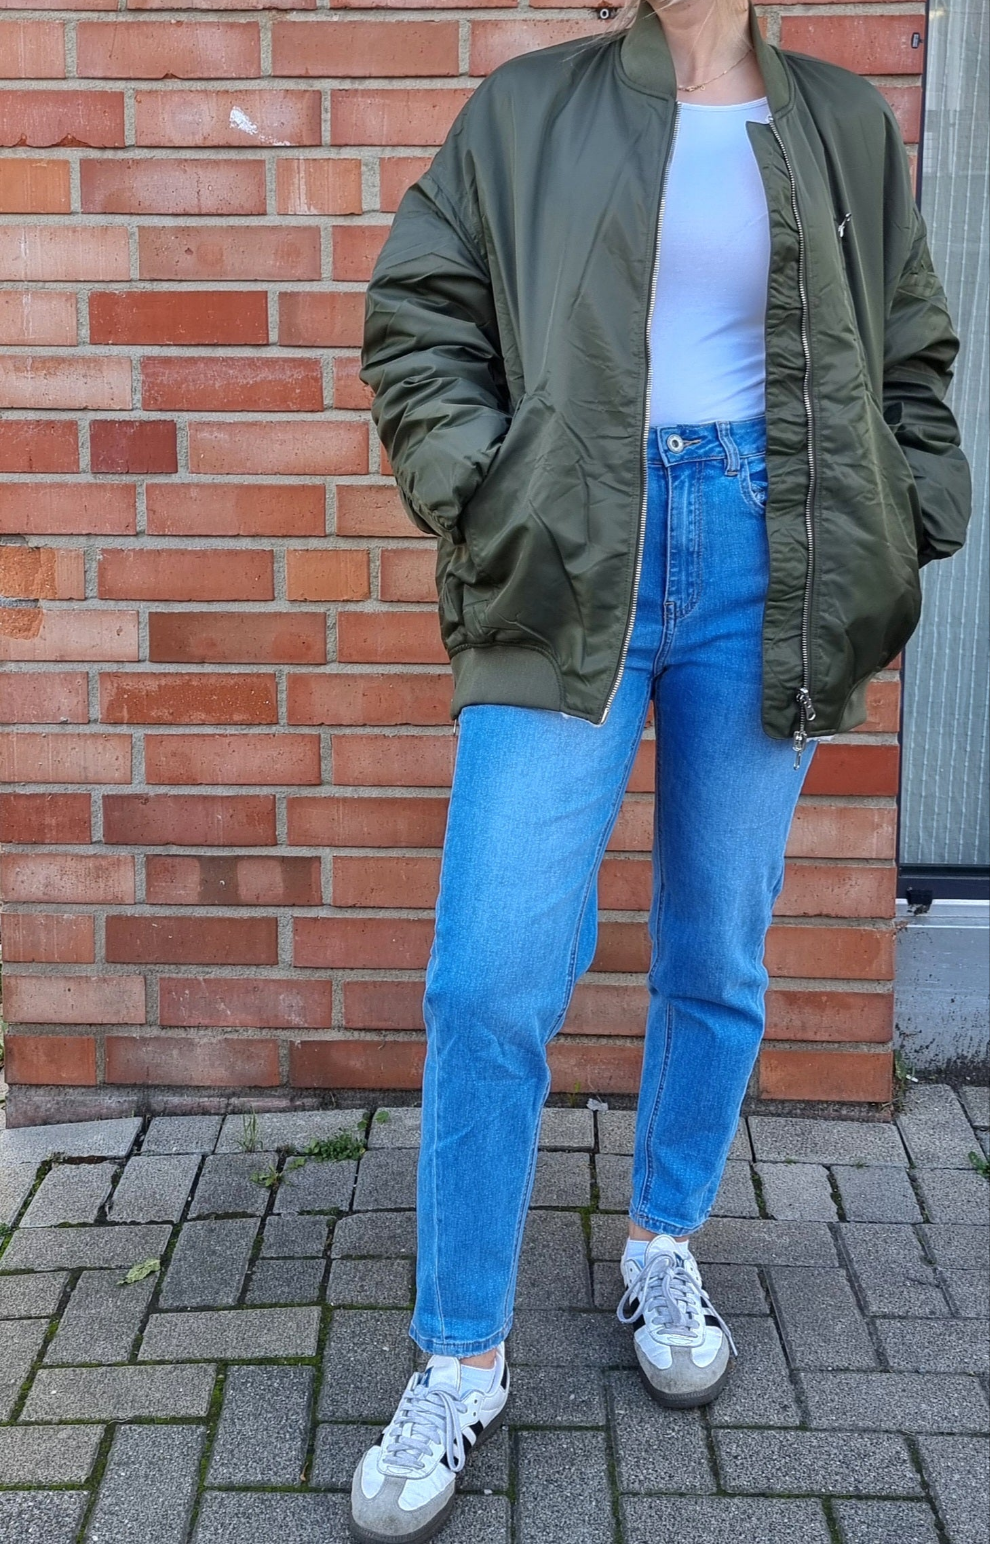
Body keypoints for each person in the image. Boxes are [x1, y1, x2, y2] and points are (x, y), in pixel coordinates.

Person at [350, 0, 971, 1537]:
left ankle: (660, 1242)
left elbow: (909, 343)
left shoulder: (839, 121)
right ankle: (459, 1350)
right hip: (567, 554)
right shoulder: (530, 111)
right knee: (490, 972)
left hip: (773, 560)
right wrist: (481, 485)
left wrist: (910, 507)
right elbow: (420, 308)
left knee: (715, 946)